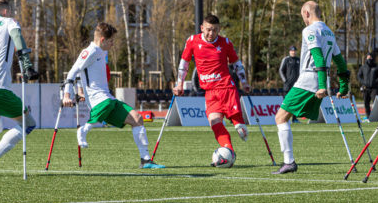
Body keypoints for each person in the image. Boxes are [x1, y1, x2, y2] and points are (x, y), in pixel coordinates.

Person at [63, 22, 165, 169]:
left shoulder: (103, 52)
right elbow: (73, 71)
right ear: (103, 40)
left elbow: (83, 72)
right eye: (111, 41)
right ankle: (83, 130)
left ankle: (146, 160)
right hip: (98, 100)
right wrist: (67, 94)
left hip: (107, 98)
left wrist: (79, 90)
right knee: (108, 103)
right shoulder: (89, 52)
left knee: (137, 118)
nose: (113, 44)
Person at [272, 1, 350, 174]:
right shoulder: (329, 32)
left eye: (302, 16)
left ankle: (289, 161)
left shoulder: (309, 30)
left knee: (281, 117)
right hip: (321, 80)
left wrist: (322, 86)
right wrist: (344, 87)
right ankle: (288, 161)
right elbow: (340, 62)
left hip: (308, 80)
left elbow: (318, 58)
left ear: (306, 13)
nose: (303, 20)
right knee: (286, 117)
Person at [173, 14, 251, 166]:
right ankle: (228, 151)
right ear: (202, 28)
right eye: (208, 30)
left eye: (215, 30)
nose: (211, 33)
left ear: (219, 30)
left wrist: (244, 82)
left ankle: (238, 123)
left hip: (226, 87)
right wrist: (179, 84)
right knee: (214, 122)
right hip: (209, 91)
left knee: (237, 123)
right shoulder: (192, 41)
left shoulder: (225, 43)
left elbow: (236, 63)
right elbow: (184, 63)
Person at [0, 0, 39, 176]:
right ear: (5, 12)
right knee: (28, 124)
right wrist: (27, 66)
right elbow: (18, 40)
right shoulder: (9, 22)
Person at [279, 45, 301, 123]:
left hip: (296, 85)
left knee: (296, 101)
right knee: (286, 102)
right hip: (287, 85)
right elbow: (281, 70)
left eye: (294, 51)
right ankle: (283, 118)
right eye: (292, 51)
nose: (293, 52)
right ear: (289, 52)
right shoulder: (286, 59)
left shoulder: (299, 60)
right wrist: (285, 80)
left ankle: (294, 119)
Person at [357, 52, 378, 119]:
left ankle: (375, 116)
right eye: (368, 57)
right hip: (366, 88)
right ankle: (368, 116)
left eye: (370, 57)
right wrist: (363, 82)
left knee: (375, 102)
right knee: (366, 102)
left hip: (374, 88)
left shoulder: (377, 67)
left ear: (373, 58)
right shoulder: (363, 67)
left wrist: (375, 82)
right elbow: (359, 76)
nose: (369, 58)